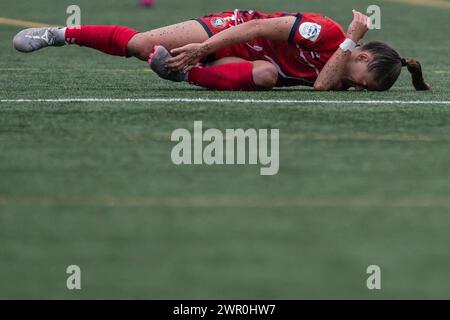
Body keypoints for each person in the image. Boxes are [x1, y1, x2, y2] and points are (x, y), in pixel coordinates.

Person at [12, 8, 430, 91]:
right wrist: (202, 47)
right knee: (142, 44)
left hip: (248, 66)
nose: (351, 89)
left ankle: (182, 74)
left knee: (265, 76)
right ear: (359, 57)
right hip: (236, 33)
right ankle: (60, 35)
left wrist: (195, 62)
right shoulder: (327, 31)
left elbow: (322, 86)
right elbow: (259, 26)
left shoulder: (340, 67)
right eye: (358, 81)